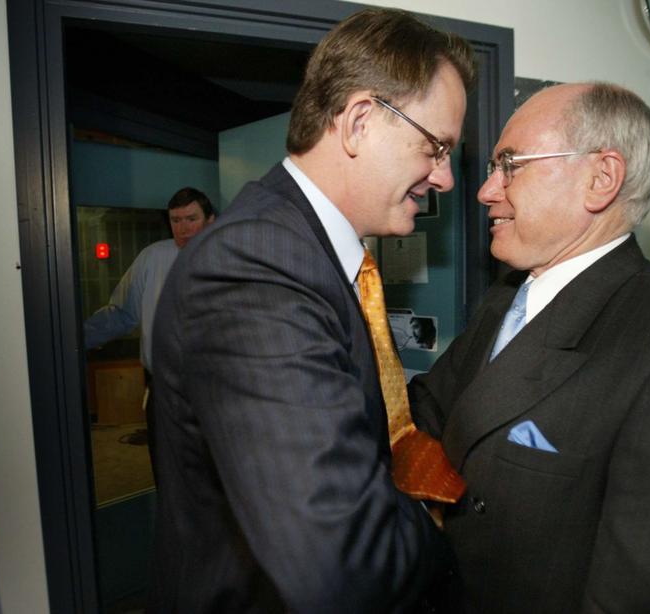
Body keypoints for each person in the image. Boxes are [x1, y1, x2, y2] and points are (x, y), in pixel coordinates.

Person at [147, 9, 474, 613]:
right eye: (436, 147)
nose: (446, 178)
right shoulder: (255, 265)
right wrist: (437, 536)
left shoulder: (301, 252)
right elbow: (340, 561)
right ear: (359, 122)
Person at [409, 82, 650, 613]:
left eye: (510, 164)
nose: (485, 190)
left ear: (601, 179)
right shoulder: (507, 299)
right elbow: (427, 409)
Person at [83, 186, 214, 473]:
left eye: (191, 218)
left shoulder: (232, 259)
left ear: (210, 220)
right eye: (176, 220)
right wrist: (75, 339)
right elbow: (122, 313)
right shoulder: (152, 258)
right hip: (163, 388)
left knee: (211, 475)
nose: (183, 228)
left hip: (213, 389)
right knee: (166, 472)